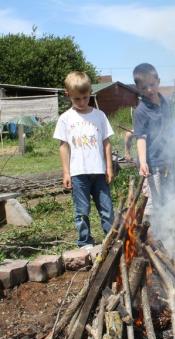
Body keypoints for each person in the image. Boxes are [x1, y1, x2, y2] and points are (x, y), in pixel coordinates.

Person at [53, 71, 114, 248]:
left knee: (107, 209)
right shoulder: (65, 119)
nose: (81, 102)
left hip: (99, 172)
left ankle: (110, 239)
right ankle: (85, 241)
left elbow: (106, 143)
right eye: (77, 99)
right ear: (68, 95)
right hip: (78, 173)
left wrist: (109, 167)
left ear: (90, 93)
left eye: (85, 98)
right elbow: (63, 146)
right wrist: (66, 172)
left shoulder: (99, 116)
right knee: (82, 210)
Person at [133, 63, 174, 219]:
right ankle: (151, 236)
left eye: (152, 85)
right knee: (152, 202)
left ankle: (168, 233)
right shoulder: (141, 111)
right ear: (138, 89)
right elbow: (141, 139)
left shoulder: (167, 103)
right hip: (151, 164)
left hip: (167, 161)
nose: (149, 90)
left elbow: (171, 129)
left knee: (168, 198)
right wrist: (143, 162)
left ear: (158, 81)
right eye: (144, 88)